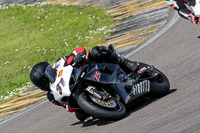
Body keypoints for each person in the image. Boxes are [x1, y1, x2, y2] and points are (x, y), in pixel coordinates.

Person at [30, 45, 144, 122]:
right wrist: (77, 104)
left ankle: (126, 63)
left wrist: (77, 57)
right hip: (78, 90)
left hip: (91, 69)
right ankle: (107, 101)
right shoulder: (52, 95)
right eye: (41, 83)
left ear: (49, 69)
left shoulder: (60, 63)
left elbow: (79, 50)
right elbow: (68, 107)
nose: (44, 83)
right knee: (80, 116)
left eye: (45, 77)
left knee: (95, 51)